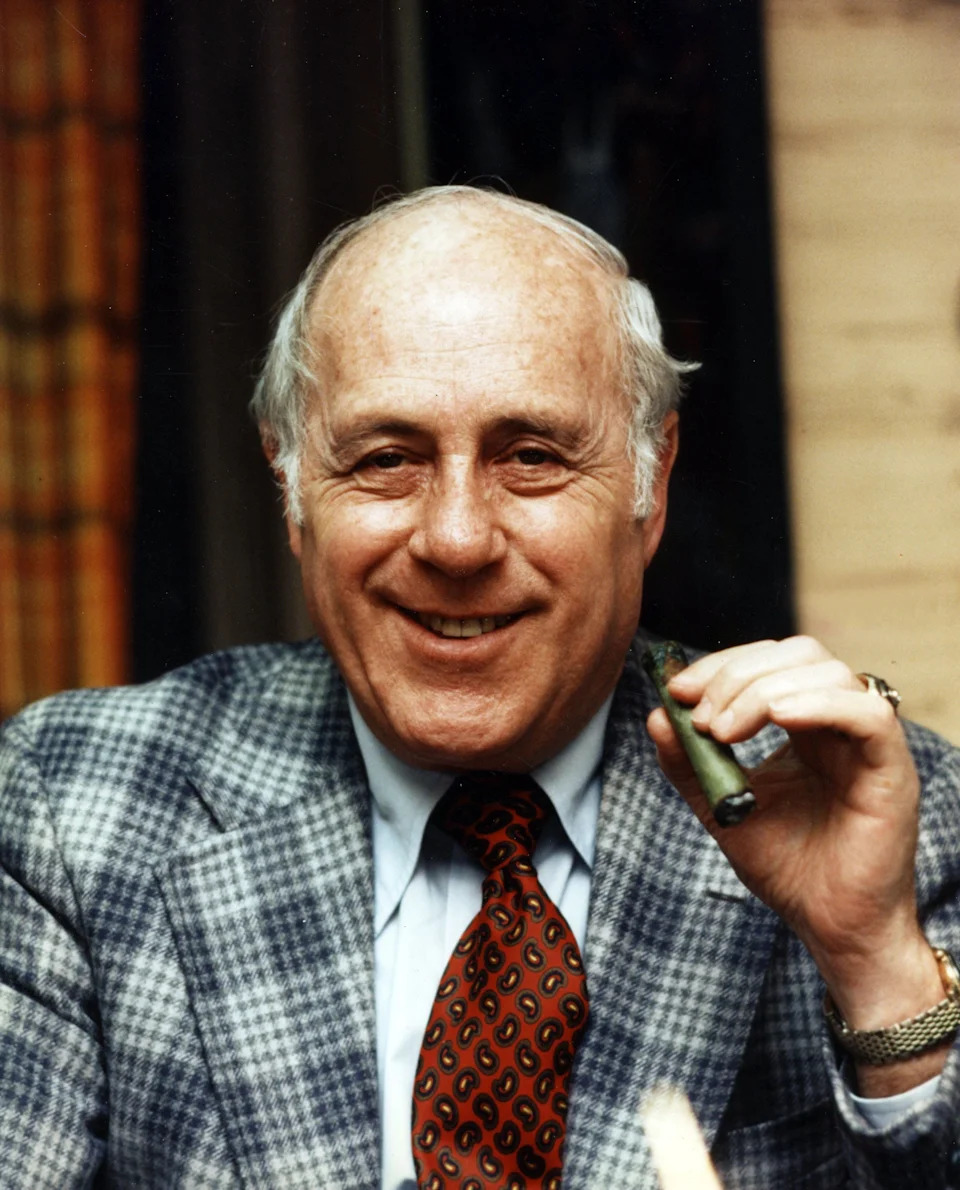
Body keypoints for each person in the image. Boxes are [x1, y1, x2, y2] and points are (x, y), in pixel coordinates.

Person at [1, 185, 959, 1190]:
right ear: (291, 490)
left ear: (650, 489)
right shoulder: (77, 807)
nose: (457, 539)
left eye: (532, 457)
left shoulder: (884, 814)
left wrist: (875, 964)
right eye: (386, 459)